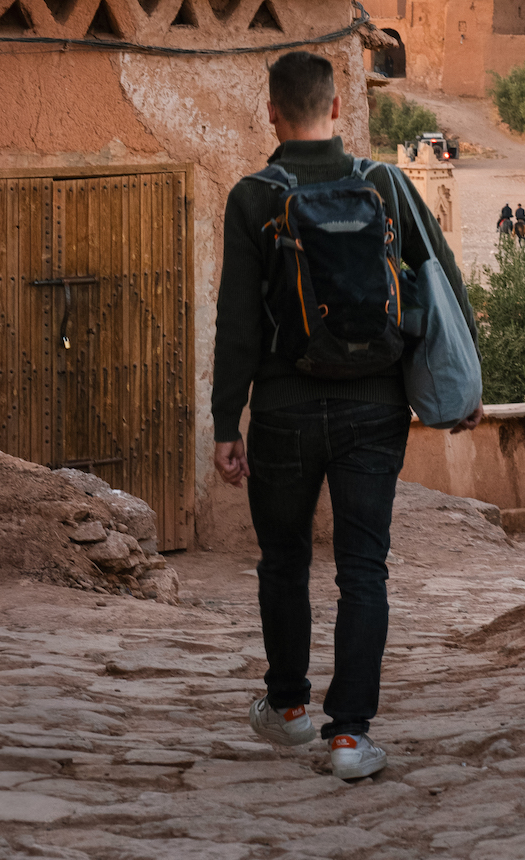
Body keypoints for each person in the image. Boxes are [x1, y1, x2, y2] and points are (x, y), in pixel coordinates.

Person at [213, 51, 482, 780]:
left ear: (272, 111)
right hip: (375, 408)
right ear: (337, 108)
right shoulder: (386, 184)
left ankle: (291, 708)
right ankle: (350, 737)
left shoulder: (253, 198)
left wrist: (224, 426)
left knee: (285, 561)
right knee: (364, 569)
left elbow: (237, 325)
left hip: (282, 412)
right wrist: (463, 381)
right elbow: (443, 281)